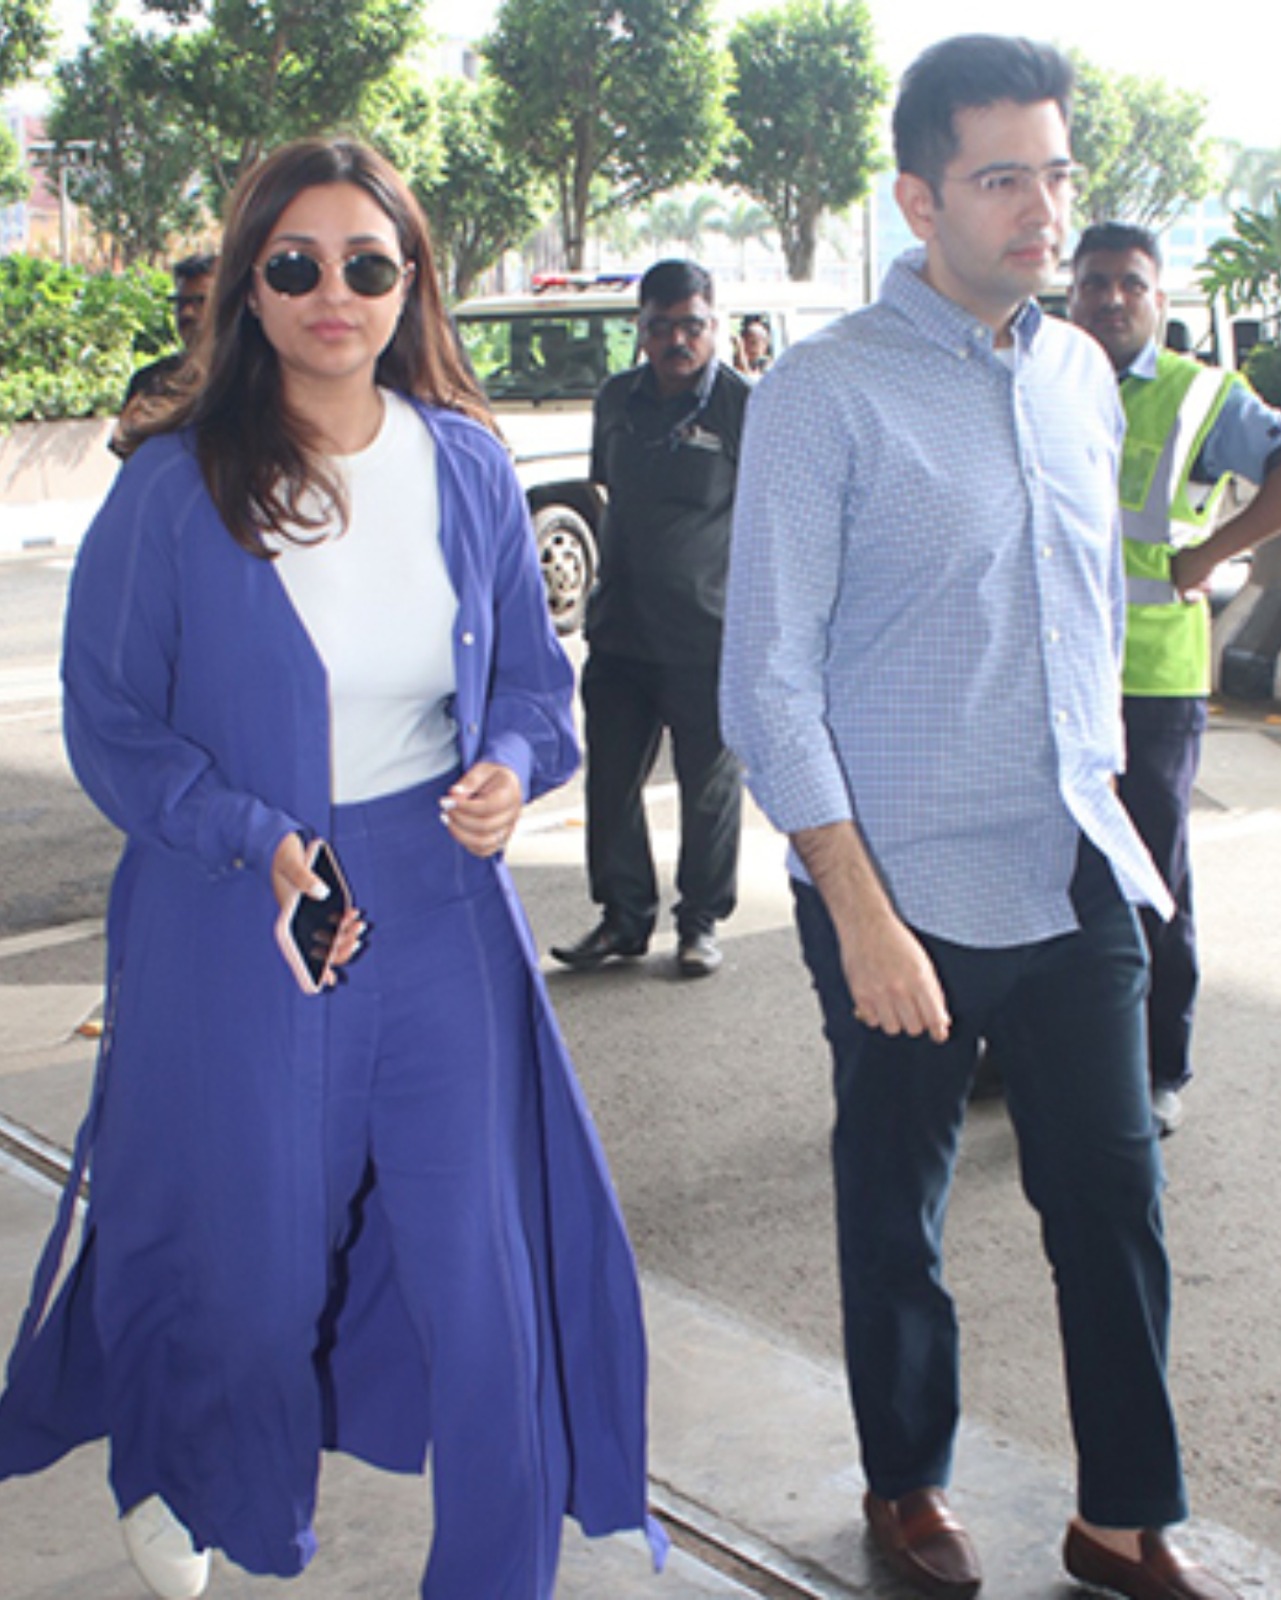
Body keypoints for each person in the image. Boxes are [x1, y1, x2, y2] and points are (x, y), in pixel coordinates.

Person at [0, 136, 662, 1600]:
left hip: (436, 904)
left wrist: (510, 765)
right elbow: (110, 722)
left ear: (411, 281)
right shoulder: (174, 488)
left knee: (487, 1293)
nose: (332, 293)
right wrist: (253, 835)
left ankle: (496, 1577)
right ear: (248, 286)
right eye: (293, 263)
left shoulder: (470, 465)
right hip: (238, 913)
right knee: (245, 1270)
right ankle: (183, 1464)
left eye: (368, 263)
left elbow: (538, 690)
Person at [721, 35, 1243, 1600]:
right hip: (900, 885)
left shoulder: (1081, 371)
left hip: (1077, 864)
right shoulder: (822, 398)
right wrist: (860, 909)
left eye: (1056, 173)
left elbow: (1078, 611)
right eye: (1001, 177)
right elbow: (767, 685)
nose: (1042, 208)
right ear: (915, 196)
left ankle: (1120, 1519)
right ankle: (906, 1483)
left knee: (1115, 1202)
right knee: (899, 1200)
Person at [1069, 221, 1281, 1135]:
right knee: (1050, 875)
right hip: (1049, 675)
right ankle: (1037, 1049)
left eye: (1130, 283)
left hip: (1153, 680)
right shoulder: (1041, 378)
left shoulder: (1200, 397)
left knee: (1152, 878)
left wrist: (1213, 553)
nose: (1110, 299)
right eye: (1094, 283)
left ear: (1158, 298)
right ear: (1068, 291)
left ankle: (1159, 1066)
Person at [551, 259, 749, 978]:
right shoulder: (617, 400)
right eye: (659, 327)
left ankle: (698, 924)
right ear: (639, 331)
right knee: (609, 784)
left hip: (707, 637)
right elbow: (609, 489)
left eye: (690, 325)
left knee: (709, 791)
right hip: (620, 635)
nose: (675, 341)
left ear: (713, 325)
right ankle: (622, 918)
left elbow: (768, 522)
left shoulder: (738, 405)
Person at [111, 253, 217, 450]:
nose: (186, 313)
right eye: (180, 303)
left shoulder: (254, 377)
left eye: (199, 301)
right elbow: (127, 453)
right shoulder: (150, 382)